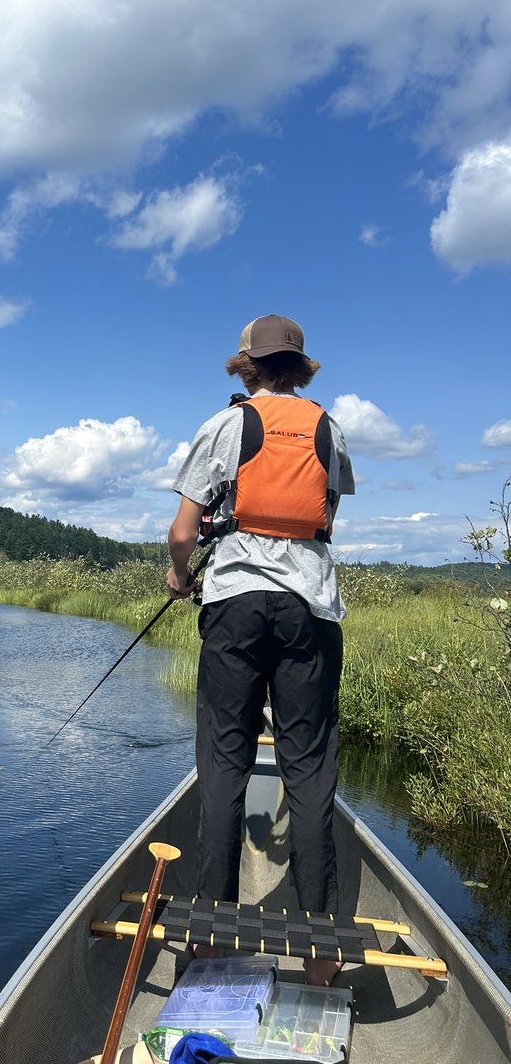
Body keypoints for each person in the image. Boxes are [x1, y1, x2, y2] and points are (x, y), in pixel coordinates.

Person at [165, 314, 354, 987]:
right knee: (308, 771)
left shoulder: (226, 425)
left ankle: (211, 942)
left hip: (237, 603)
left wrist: (178, 576)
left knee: (223, 764)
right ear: (300, 369)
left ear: (247, 366)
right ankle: (322, 955)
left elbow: (185, 531)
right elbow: (325, 518)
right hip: (311, 609)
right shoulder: (329, 429)